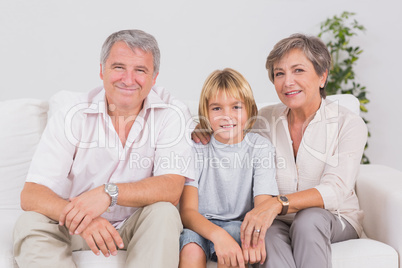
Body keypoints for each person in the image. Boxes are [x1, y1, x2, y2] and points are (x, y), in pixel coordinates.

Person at [13, 29, 195, 268]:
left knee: (164, 212)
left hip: (136, 227)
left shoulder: (172, 113)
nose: (128, 79)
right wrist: (85, 219)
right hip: (75, 226)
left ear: (154, 76)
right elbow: (32, 193)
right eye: (119, 67)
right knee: (30, 223)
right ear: (102, 70)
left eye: (140, 70)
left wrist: (109, 193)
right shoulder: (71, 114)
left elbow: (171, 187)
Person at [192, 34, 368, 268]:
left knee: (308, 220)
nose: (288, 82)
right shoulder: (264, 119)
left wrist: (278, 204)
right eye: (279, 73)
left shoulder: (348, 123)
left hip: (333, 218)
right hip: (277, 220)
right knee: (266, 235)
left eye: (298, 71)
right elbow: (228, 128)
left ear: (322, 76)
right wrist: (201, 129)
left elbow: (335, 190)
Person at [179, 68, 279, 268]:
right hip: (200, 225)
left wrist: (255, 237)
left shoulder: (260, 148)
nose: (227, 116)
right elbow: (188, 211)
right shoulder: (195, 148)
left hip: (239, 225)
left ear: (249, 110)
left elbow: (262, 207)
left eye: (236, 107)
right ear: (205, 113)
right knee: (191, 250)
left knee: (234, 251)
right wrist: (218, 235)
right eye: (217, 109)